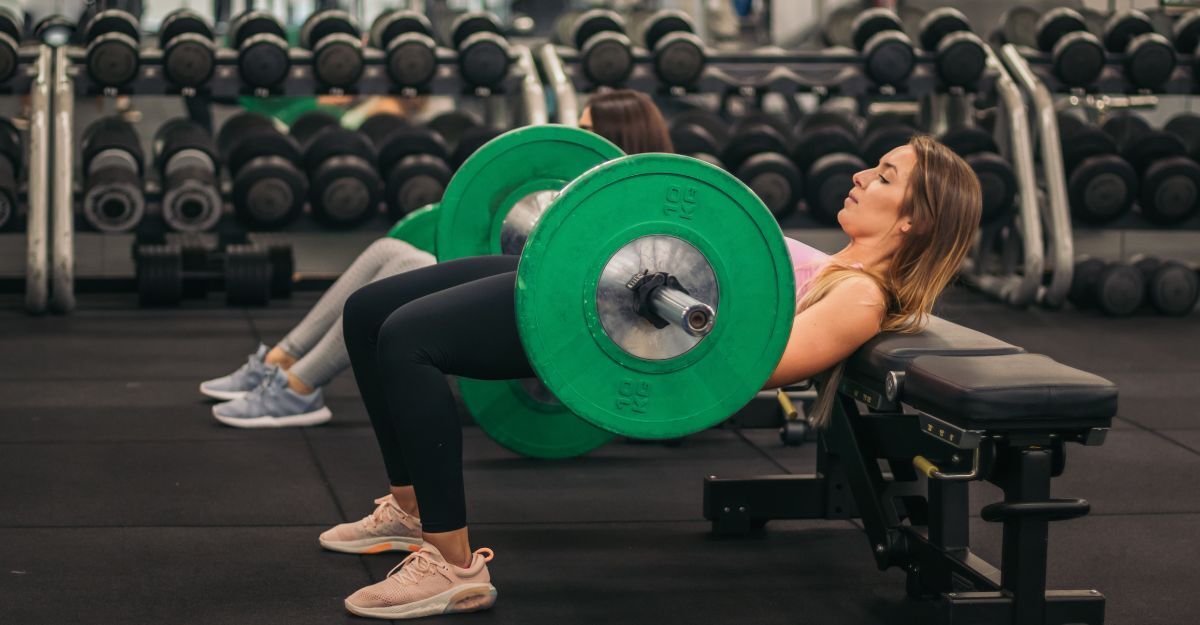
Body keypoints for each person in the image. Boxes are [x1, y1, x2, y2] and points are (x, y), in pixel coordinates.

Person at [323, 114, 983, 618]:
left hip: (613, 326)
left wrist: (681, 305)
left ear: (914, 223)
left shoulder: (863, 295)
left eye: (885, 177)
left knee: (407, 340)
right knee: (369, 311)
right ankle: (408, 508)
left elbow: (763, 364)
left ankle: (452, 562)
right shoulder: (839, 263)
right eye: (874, 167)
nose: (862, 177)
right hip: (608, 277)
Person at [199, 90, 673, 428]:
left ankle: (299, 389)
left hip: (564, 329)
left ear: (617, 140)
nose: (575, 140)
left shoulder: (638, 217)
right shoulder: (583, 201)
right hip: (531, 296)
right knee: (390, 250)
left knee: (405, 267)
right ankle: (283, 364)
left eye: (588, 132)